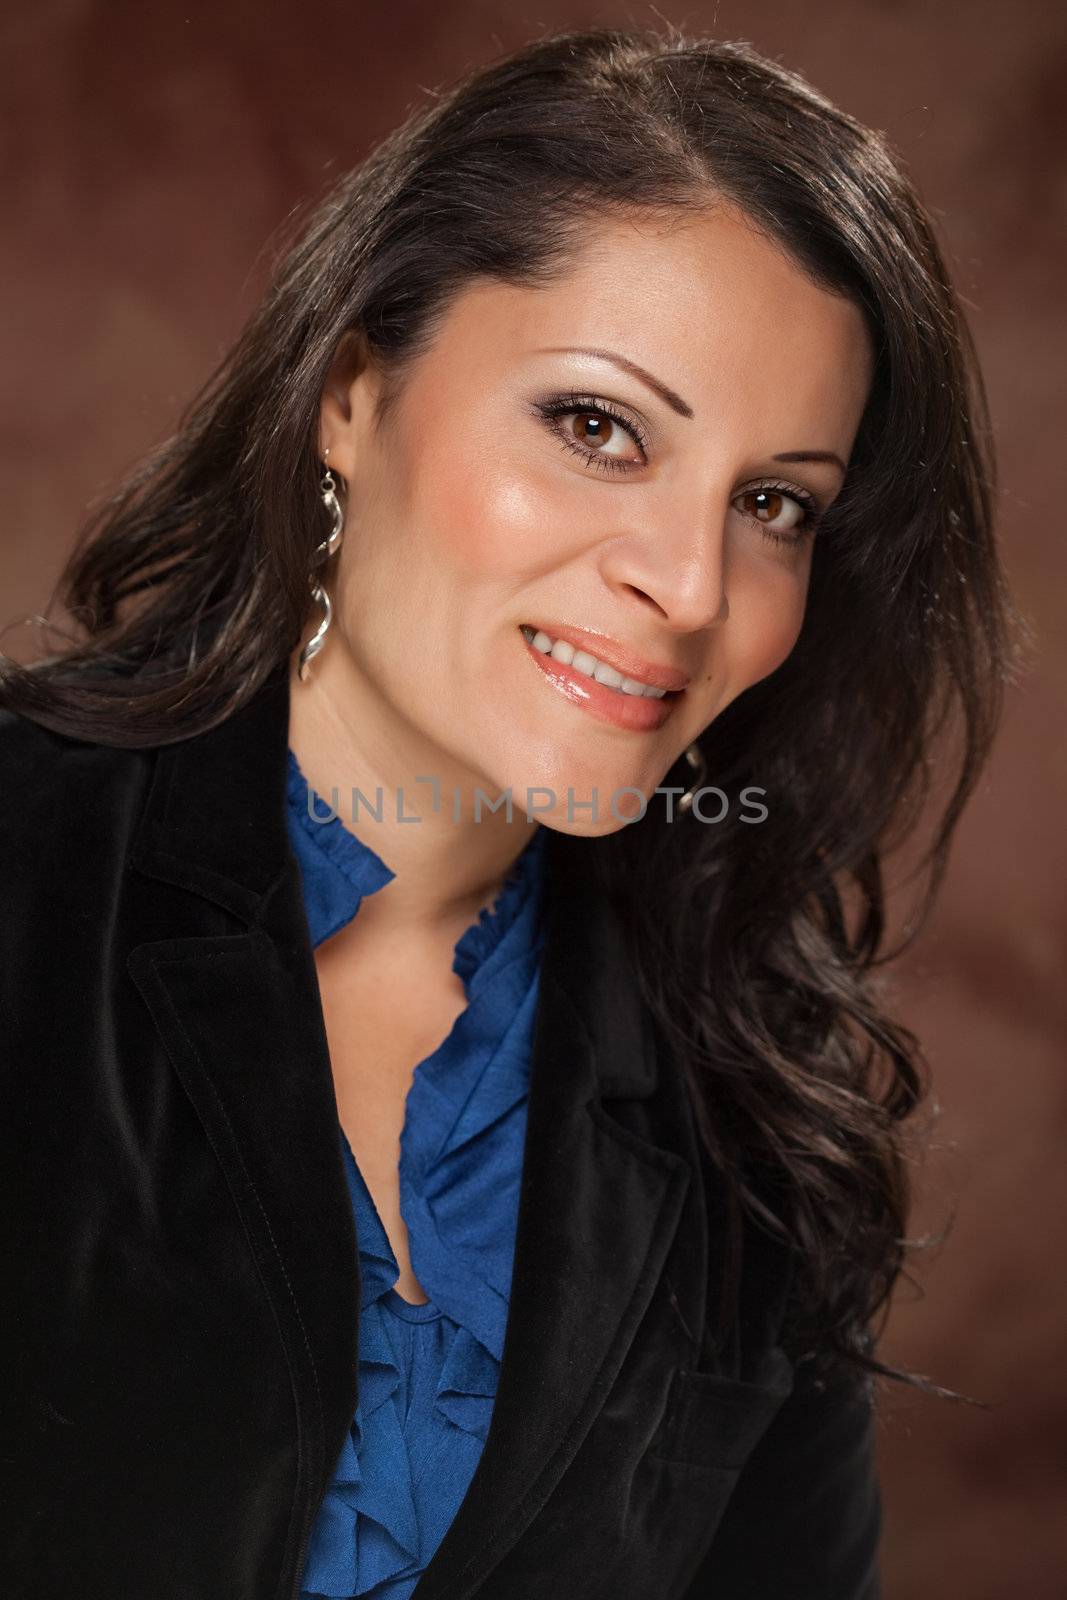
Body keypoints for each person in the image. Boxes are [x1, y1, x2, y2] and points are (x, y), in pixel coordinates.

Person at [0, 24, 1019, 1600]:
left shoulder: (757, 1111)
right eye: (599, 427)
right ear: (350, 392)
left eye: (773, 505)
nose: (688, 588)